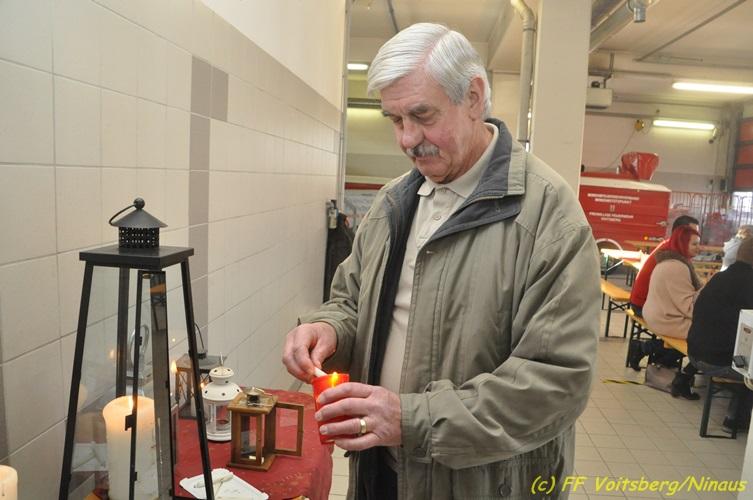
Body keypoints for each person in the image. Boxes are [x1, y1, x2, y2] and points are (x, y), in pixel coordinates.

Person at [282, 23, 600, 500]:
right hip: (381, 471)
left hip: (484, 484)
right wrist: (329, 330)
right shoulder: (394, 203)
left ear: (473, 97)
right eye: (395, 120)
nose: (408, 139)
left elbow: (556, 382)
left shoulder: (548, 217)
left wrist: (412, 421)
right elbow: (350, 300)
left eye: (422, 115)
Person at [688, 237, 753, 432]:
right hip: (719, 361)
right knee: (749, 368)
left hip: (695, 353)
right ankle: (734, 419)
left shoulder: (720, 277)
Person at [637, 225, 703, 398]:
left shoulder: (670, 261)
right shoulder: (677, 267)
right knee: (707, 336)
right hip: (665, 318)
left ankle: (651, 352)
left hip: (656, 314)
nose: (699, 248)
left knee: (704, 333)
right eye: (694, 244)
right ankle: (683, 378)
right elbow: (687, 306)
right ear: (682, 243)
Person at [628, 215, 699, 317]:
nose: (696, 235)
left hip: (643, 302)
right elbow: (683, 294)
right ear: (679, 232)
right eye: (691, 232)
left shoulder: (670, 245)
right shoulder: (671, 254)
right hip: (643, 305)